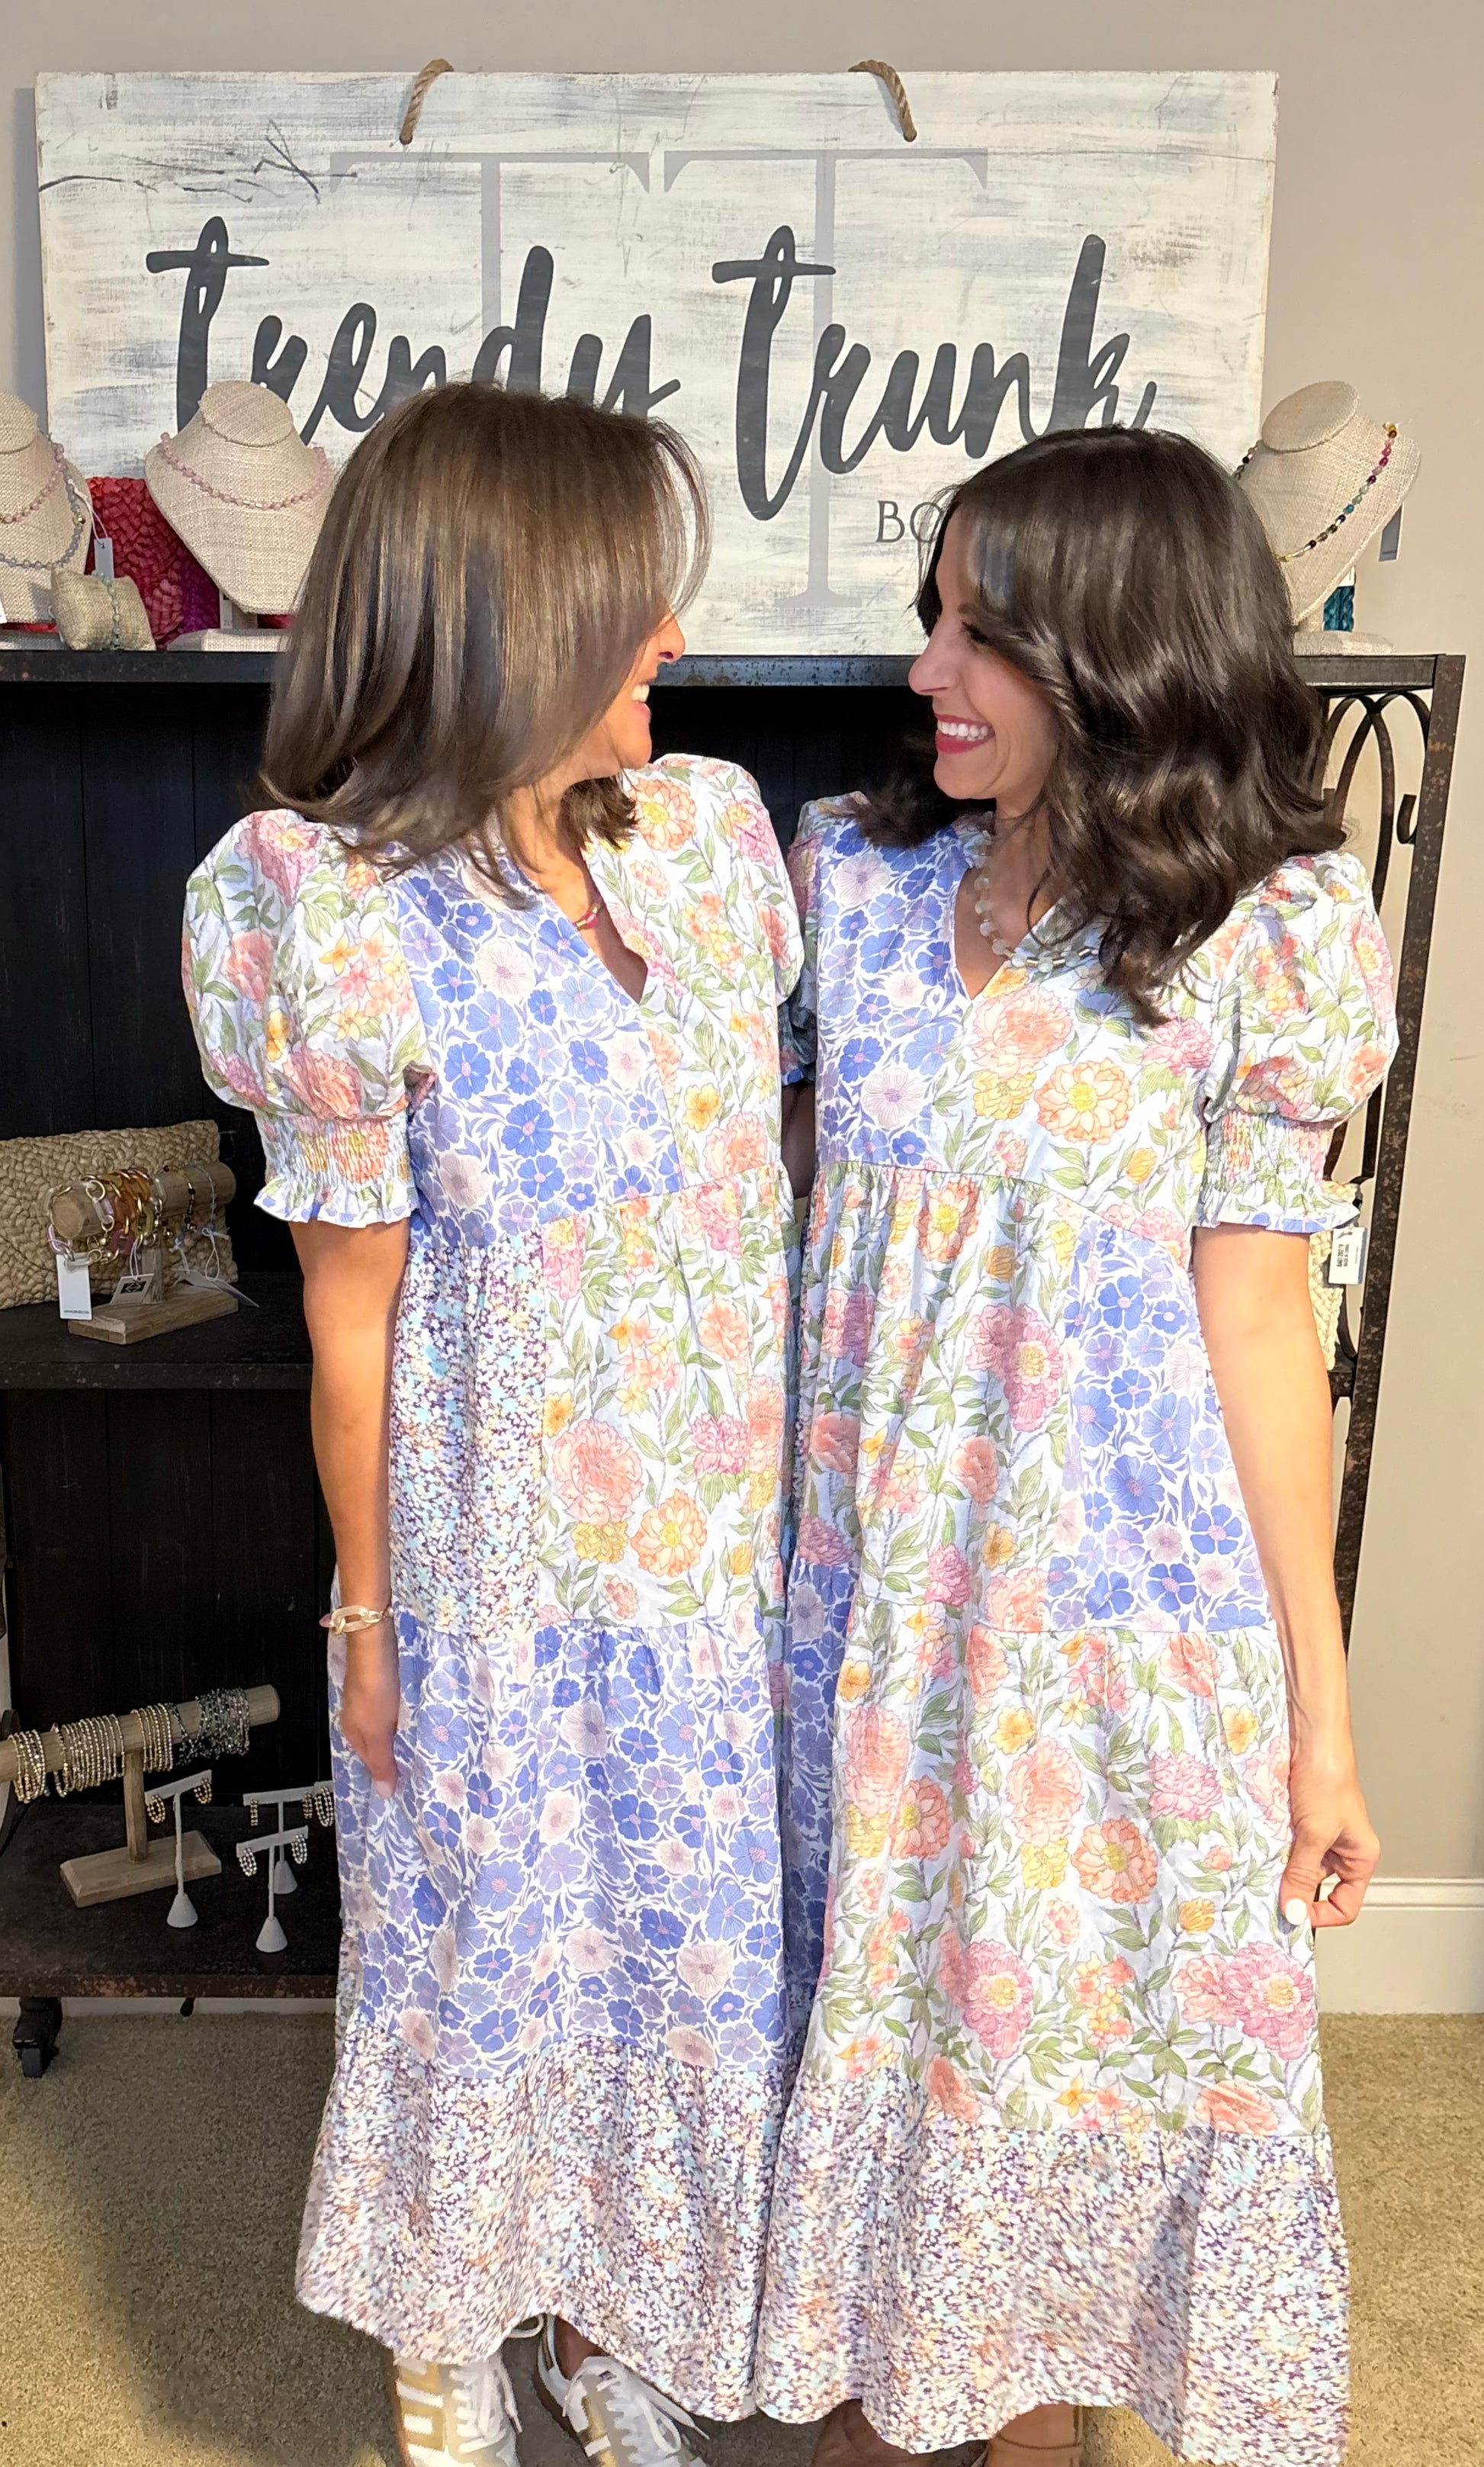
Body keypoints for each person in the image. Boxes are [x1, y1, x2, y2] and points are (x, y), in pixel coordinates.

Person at [756, 426, 1396, 2467]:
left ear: (1118, 654)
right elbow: (764, 1207)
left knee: (1056, 2048)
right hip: (863, 1592)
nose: (926, 668)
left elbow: (1262, 1320)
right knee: (867, 2010)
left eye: (982, 632)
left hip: (1103, 1616)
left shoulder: (1267, 934)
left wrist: (1317, 1721)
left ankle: (1011, 2415)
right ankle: (880, 2393)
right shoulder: (855, 886)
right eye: (930, 615)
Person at [182, 382, 801, 2467]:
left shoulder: (706, 844)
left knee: (677, 1966)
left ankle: (602, 2314)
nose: (672, 644)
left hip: (709, 1566)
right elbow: (345, 1317)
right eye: (633, 608)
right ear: (509, 623)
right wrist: (369, 1615)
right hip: (497, 1578)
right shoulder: (334, 912)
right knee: (482, 1964)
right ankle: (449, 2333)